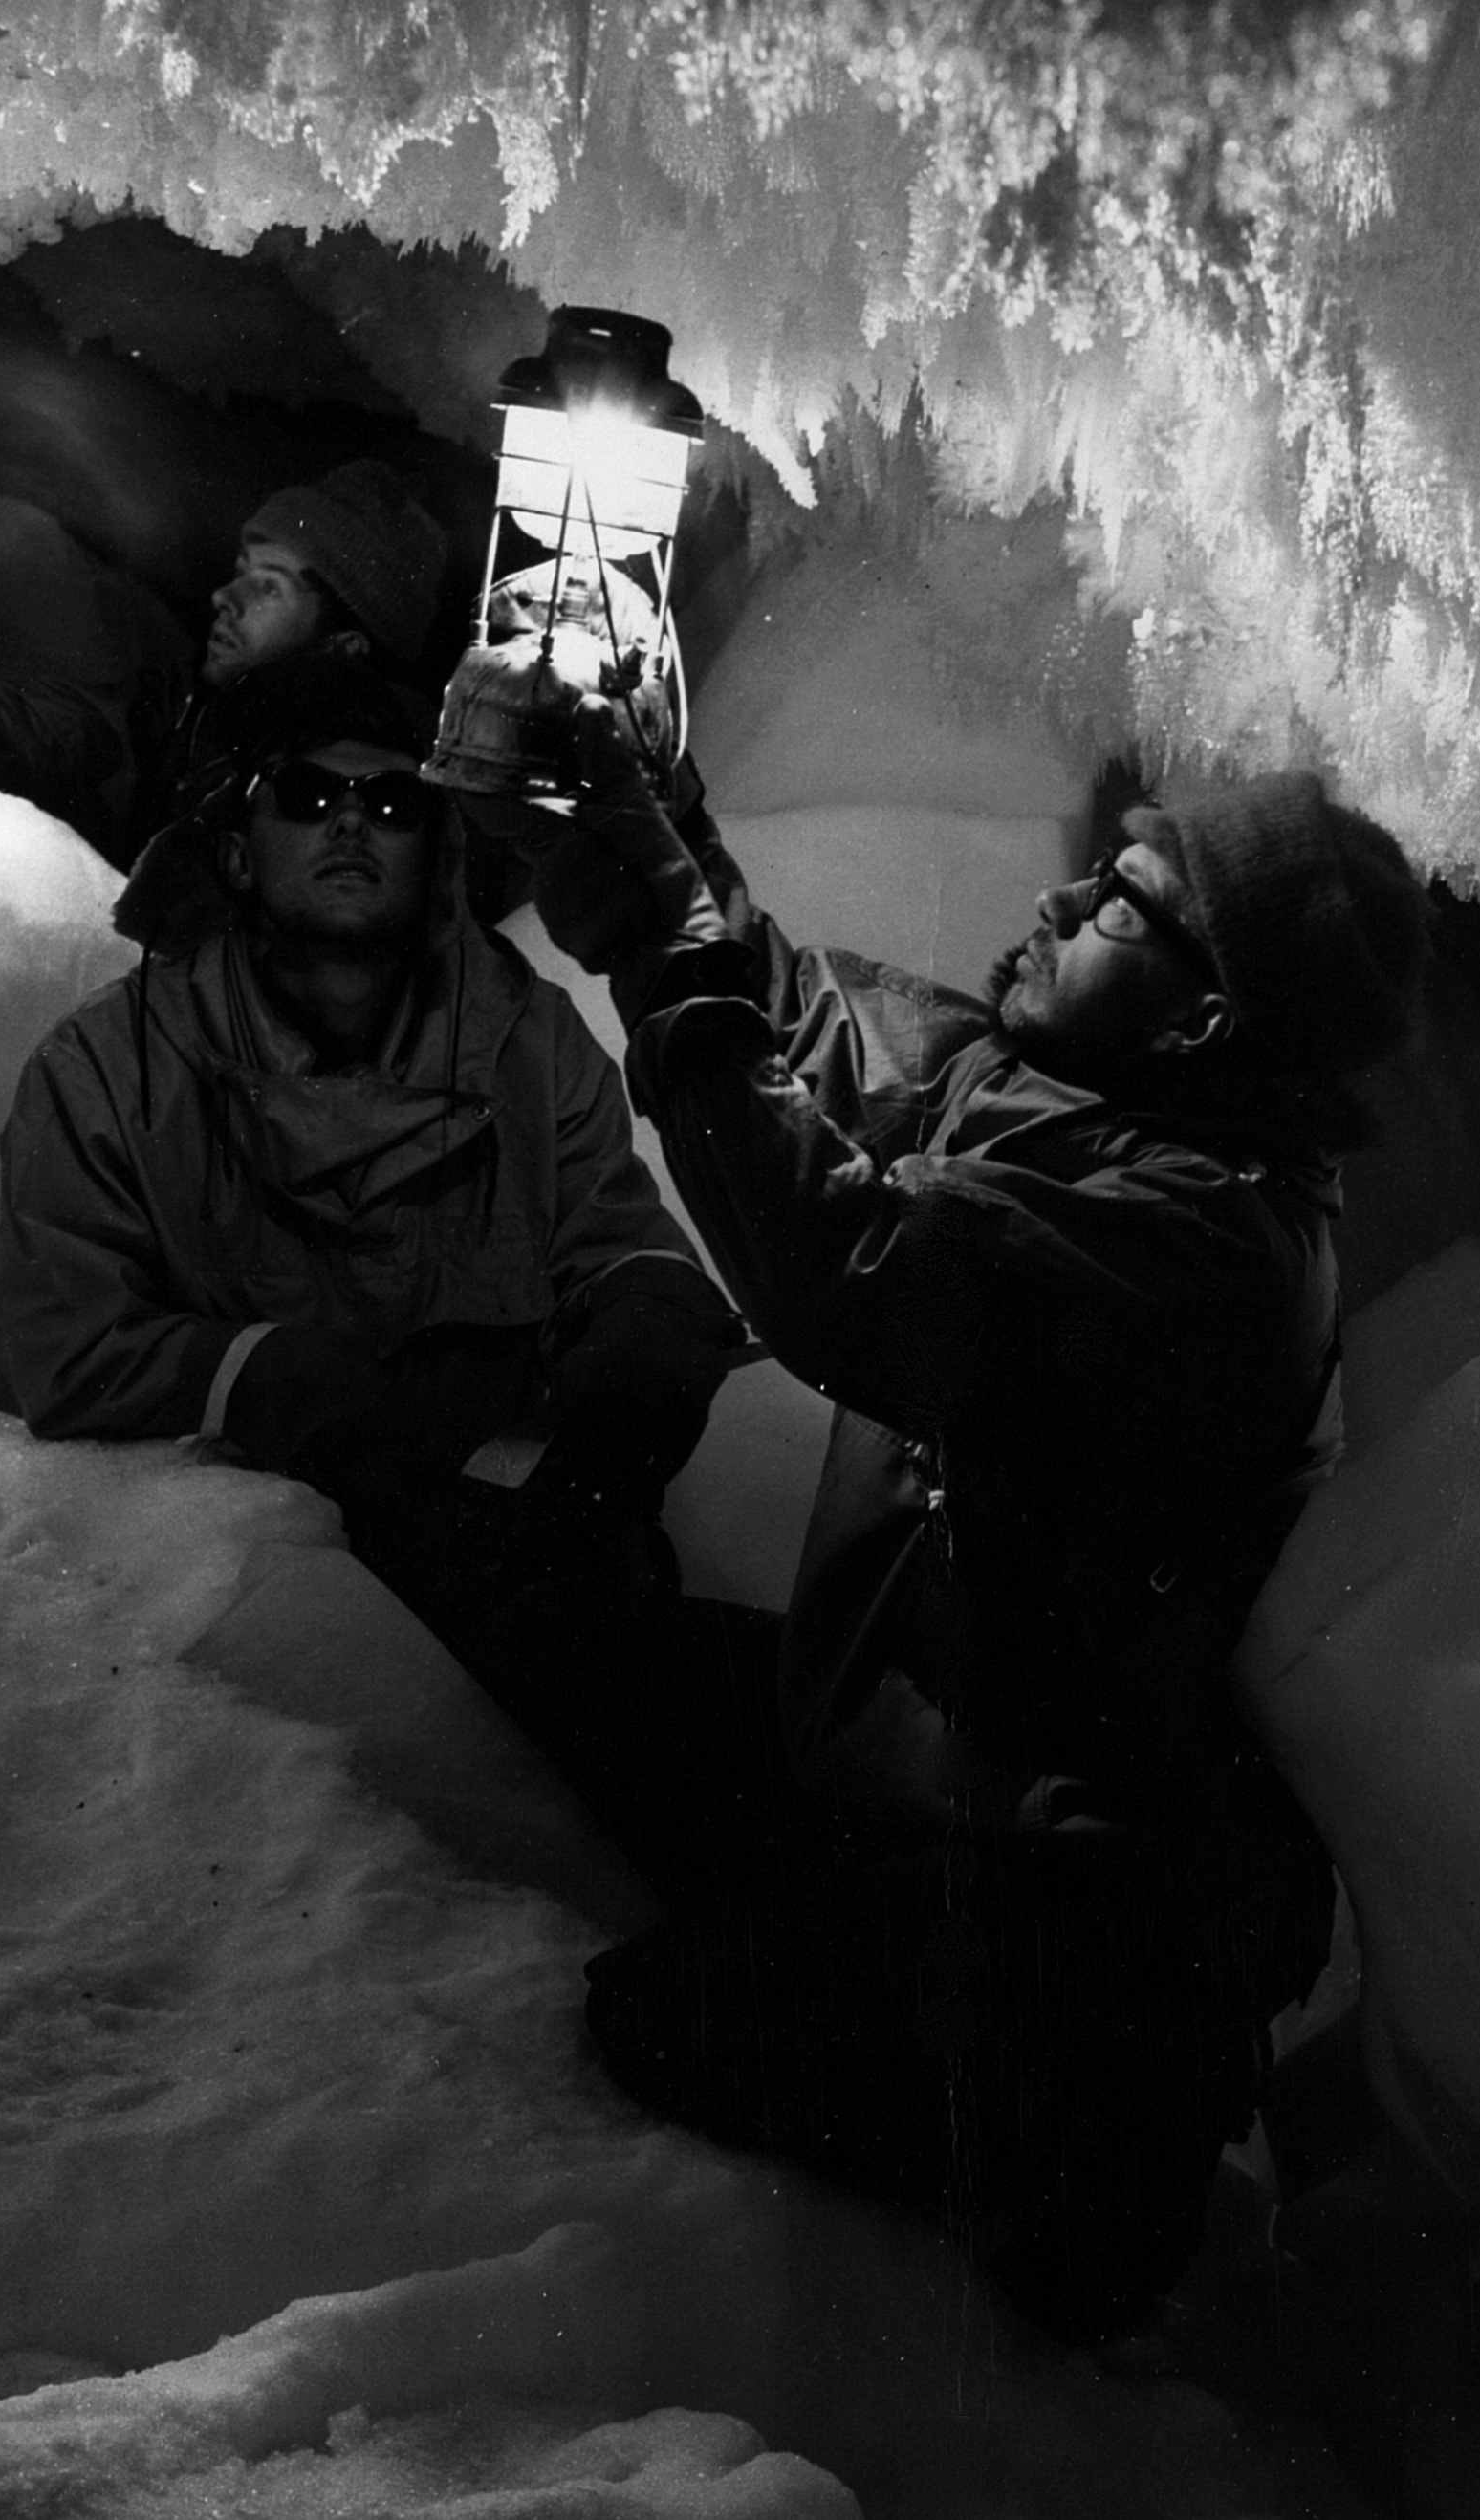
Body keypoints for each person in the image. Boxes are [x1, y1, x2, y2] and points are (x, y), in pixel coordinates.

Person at [529, 716, 1429, 2343]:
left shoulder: (1207, 1248)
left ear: (1207, 1009)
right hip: (927, 1765)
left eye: (1116, 903)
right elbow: (827, 1038)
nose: (1060, 897)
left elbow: (848, 1264)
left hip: (1066, 1912)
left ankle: (1078, 2213)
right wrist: (671, 836)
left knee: (647, 2027)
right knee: (546, 1634)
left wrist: (671, 964)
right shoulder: (1073, 1090)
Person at [0, 658, 743, 1705]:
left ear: (437, 853)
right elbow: (68, 1345)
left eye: (392, 802)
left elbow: (613, 1230)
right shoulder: (108, 1069)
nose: (350, 823)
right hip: (237, 1582)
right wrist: (273, 1377)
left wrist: (649, 1311)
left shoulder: (529, 1042)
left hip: (512, 1532)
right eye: (306, 796)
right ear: (241, 855)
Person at [0, 458, 451, 870]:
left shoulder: (361, 808)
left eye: (267, 587)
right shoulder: (179, 711)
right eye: (240, 571)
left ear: (343, 648)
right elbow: (42, 731)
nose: (224, 598)